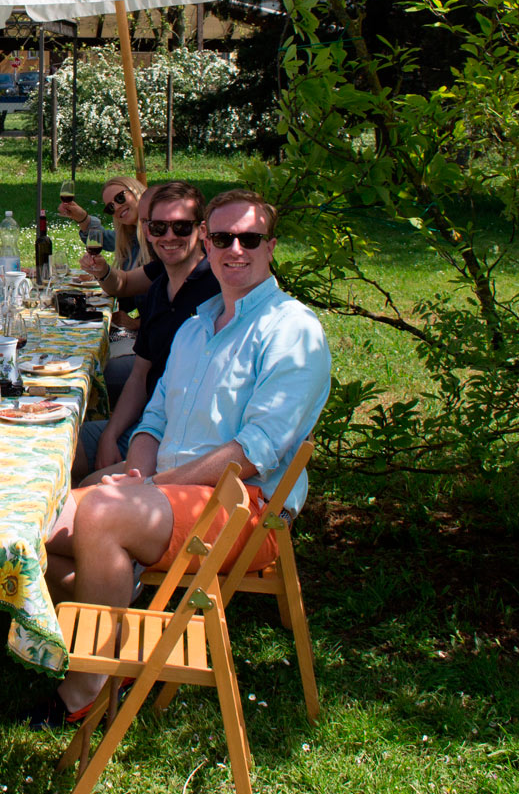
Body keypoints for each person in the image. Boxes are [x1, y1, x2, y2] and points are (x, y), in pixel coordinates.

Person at [35, 190, 331, 726]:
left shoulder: (292, 330)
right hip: (172, 488)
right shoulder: (198, 327)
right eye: (223, 238)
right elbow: (154, 422)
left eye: (248, 239)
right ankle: (121, 639)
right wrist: (140, 470)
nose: (234, 249)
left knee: (101, 513)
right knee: (39, 524)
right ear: (208, 243)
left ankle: (89, 687)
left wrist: (152, 487)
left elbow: (254, 452)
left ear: (271, 247)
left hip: (246, 505)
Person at [73, 182, 220, 481]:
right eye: (158, 227)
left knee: (86, 486)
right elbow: (140, 375)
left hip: (181, 440)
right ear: (147, 230)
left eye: (181, 227)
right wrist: (110, 433)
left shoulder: (218, 293)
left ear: (201, 230)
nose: (169, 236)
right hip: (148, 422)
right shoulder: (158, 287)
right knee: (62, 445)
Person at [60, 175, 150, 401]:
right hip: (140, 335)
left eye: (121, 198)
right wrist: (83, 219)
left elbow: (176, 309)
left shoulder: (156, 240)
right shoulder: (131, 236)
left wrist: (137, 324)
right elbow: (104, 239)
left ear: (137, 191)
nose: (117, 207)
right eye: (111, 206)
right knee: (74, 348)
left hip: (151, 345)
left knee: (85, 371)